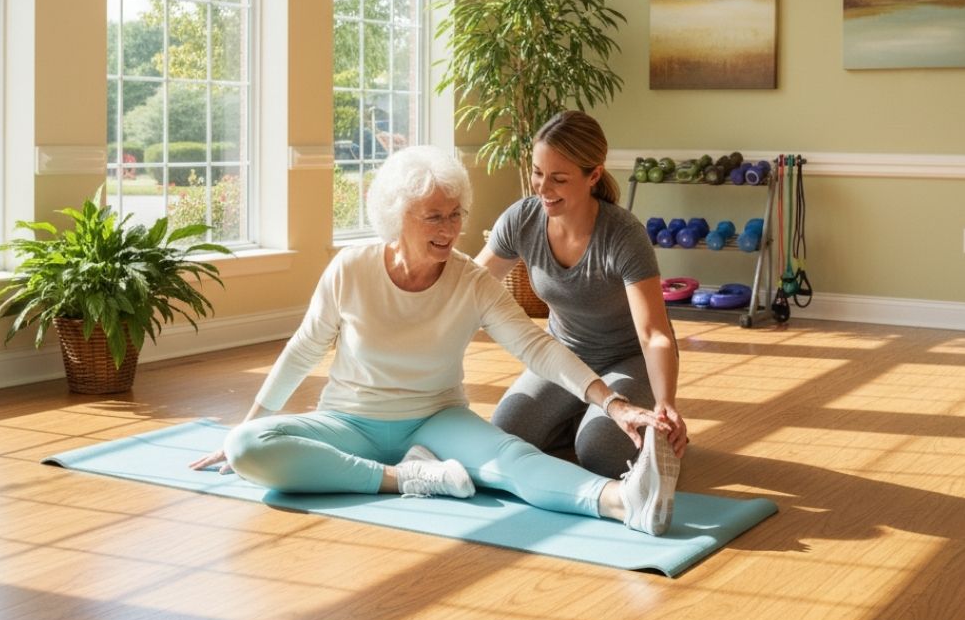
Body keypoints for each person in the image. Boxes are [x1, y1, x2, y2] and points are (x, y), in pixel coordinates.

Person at [190, 145, 683, 536]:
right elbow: (304, 348)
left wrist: (614, 404)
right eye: (434, 217)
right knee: (246, 446)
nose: (450, 230)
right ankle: (407, 477)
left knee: (513, 458)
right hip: (347, 420)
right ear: (397, 215)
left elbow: (537, 348)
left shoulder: (471, 282)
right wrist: (251, 421)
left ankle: (624, 502)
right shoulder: (351, 268)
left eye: (455, 215)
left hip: (436, 419)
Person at [476, 111, 688, 478]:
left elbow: (654, 334)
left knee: (600, 454)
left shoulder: (622, 235)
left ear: (593, 175)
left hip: (628, 359)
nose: (542, 188)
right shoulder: (522, 220)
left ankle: (610, 428)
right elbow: (470, 287)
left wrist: (665, 401)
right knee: (505, 437)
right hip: (564, 358)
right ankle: (580, 414)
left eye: (558, 178)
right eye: (537, 172)